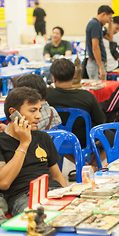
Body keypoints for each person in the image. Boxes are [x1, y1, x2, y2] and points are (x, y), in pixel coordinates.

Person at [0, 87, 67, 223]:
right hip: (25, 197)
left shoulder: (42, 137)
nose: (39, 116)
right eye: (32, 110)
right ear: (13, 113)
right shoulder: (2, 142)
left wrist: (68, 195)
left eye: (39, 110)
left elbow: (57, 175)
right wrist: (24, 143)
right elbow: (4, 183)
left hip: (53, 190)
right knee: (45, 222)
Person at [47, 59, 106, 149]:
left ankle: (78, 161)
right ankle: (91, 162)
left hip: (55, 140)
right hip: (83, 141)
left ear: (53, 78)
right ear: (74, 75)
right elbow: (101, 120)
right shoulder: (87, 96)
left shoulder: (46, 96)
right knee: (110, 135)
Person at [85, 5, 114, 80]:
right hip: (96, 64)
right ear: (103, 14)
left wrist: (111, 23)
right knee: (99, 89)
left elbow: (110, 38)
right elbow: (95, 47)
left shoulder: (97, 25)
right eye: (109, 18)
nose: (108, 21)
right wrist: (101, 68)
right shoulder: (95, 24)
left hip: (96, 64)